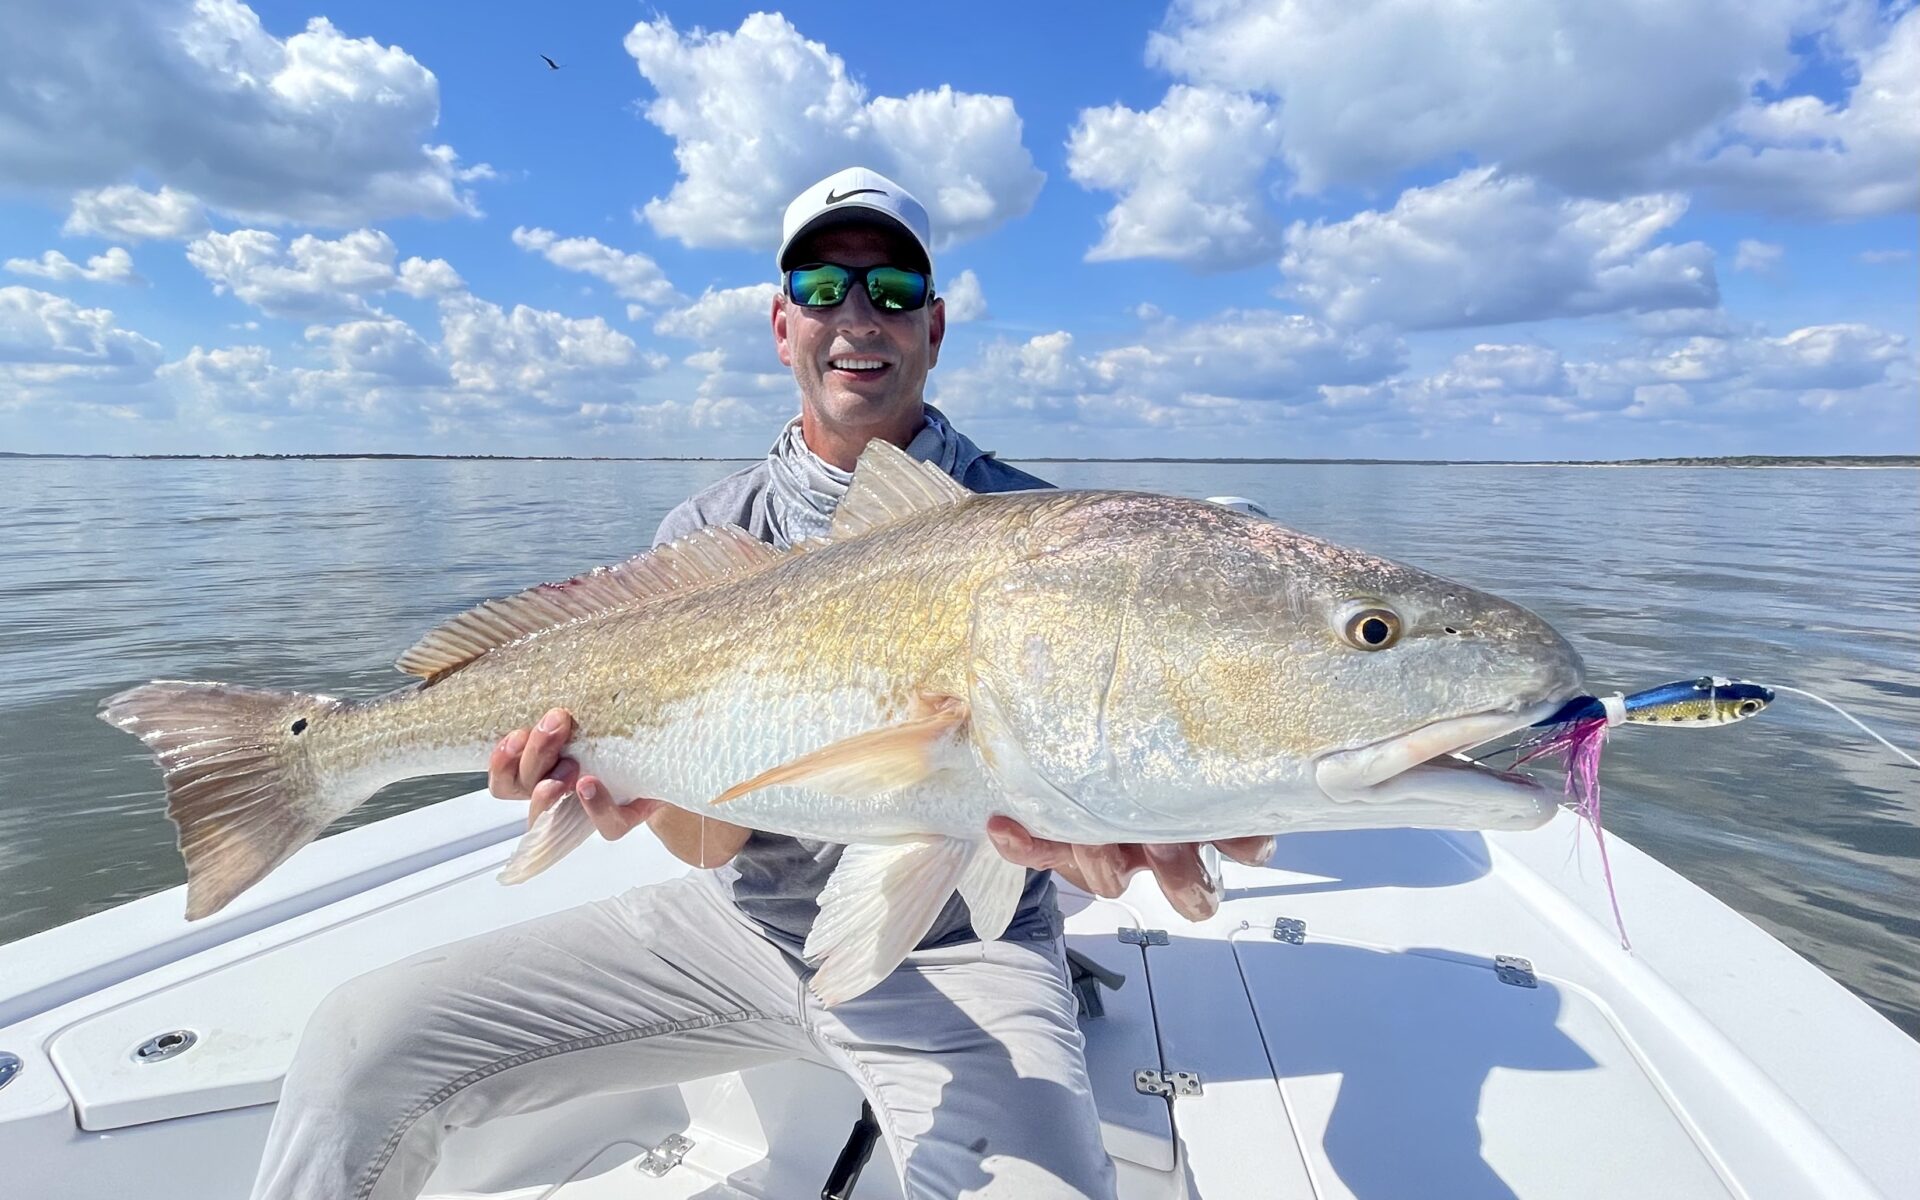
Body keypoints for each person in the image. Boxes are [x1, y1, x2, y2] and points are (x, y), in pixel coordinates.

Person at [249, 167, 1271, 1200]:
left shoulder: (1048, 539)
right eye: (823, 288)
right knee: (356, 1046)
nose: (857, 316)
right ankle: (324, 760)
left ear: (936, 324)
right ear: (782, 326)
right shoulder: (705, 535)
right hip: (738, 934)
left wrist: (1134, 810)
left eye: (893, 290)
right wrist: (624, 791)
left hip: (968, 949)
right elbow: (709, 842)